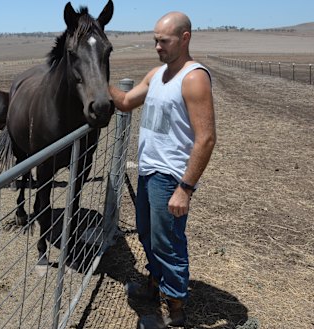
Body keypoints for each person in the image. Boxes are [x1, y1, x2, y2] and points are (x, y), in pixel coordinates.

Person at [108, 11, 216, 328]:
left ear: (185, 38)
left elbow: (206, 138)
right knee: (147, 235)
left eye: (163, 40)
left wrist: (185, 188)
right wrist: (96, 81)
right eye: (155, 40)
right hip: (148, 172)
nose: (157, 46)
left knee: (168, 243)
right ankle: (155, 285)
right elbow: (126, 101)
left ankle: (176, 311)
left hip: (170, 178)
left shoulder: (194, 77)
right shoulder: (157, 74)